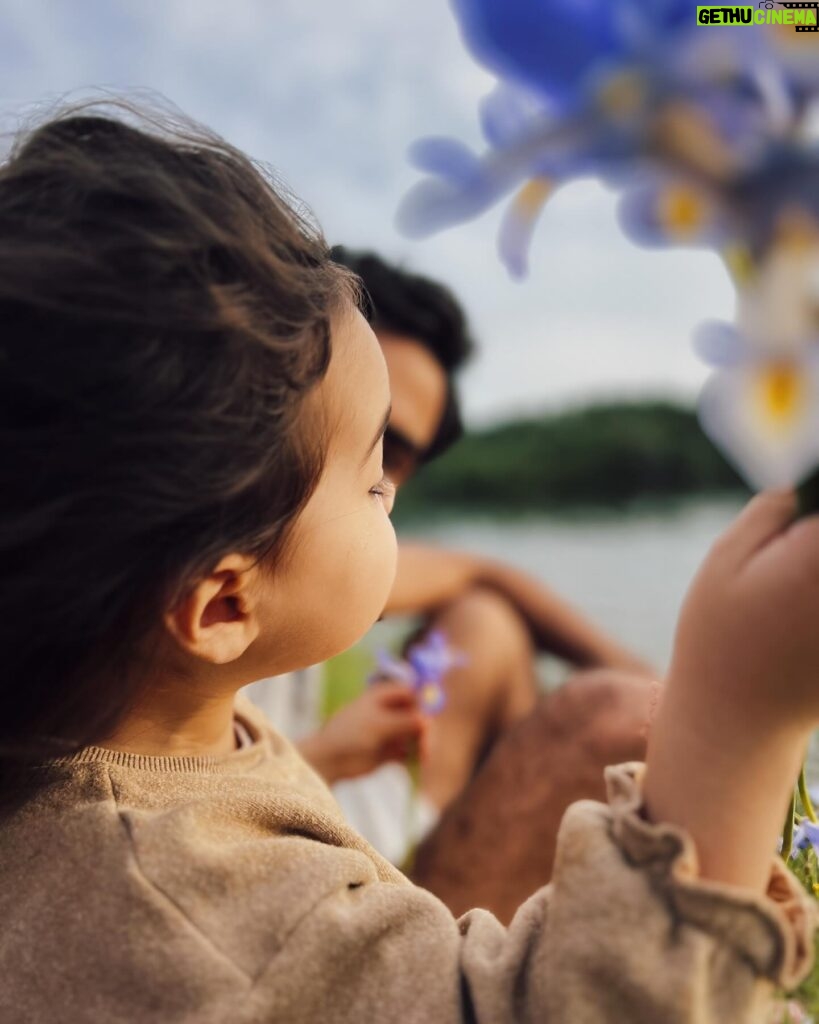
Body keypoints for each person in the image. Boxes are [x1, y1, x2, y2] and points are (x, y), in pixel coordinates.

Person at [0, 105, 815, 1024]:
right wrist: (736, 708)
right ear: (224, 606)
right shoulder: (202, 917)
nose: (394, 495)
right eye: (371, 476)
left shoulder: (103, 753)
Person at [249, 249, 655, 913]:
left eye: (398, 455)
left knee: (487, 625)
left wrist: (661, 689)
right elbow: (168, 805)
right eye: (367, 434)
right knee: (610, 718)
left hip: (301, 790)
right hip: (273, 862)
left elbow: (484, 571)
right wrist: (325, 753)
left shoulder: (321, 547)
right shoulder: (221, 549)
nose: (381, 479)